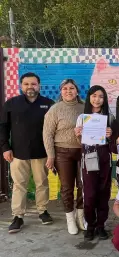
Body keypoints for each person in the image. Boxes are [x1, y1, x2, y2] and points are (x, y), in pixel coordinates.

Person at [0, 72, 54, 233]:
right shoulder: (11, 104)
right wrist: (5, 148)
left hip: (41, 152)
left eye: (33, 84)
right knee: (19, 186)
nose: (30, 87)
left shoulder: (48, 104)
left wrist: (52, 153)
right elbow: (3, 127)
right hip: (17, 153)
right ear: (21, 86)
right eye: (26, 84)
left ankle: (43, 211)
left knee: (42, 184)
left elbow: (53, 130)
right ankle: (18, 216)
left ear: (39, 86)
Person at [75, 85, 117, 241]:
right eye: (94, 96)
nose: (97, 99)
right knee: (90, 193)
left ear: (104, 99)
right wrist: (78, 134)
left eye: (101, 96)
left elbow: (113, 145)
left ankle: (101, 226)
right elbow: (80, 142)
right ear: (89, 97)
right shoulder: (82, 117)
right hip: (89, 157)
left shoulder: (109, 117)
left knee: (103, 192)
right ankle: (90, 226)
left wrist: (110, 135)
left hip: (105, 157)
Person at [43, 79, 85, 235]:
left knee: (83, 185)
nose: (69, 91)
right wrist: (50, 156)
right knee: (67, 187)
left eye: (72, 88)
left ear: (76, 90)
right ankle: (70, 218)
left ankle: (81, 216)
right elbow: (47, 134)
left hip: (82, 152)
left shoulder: (84, 107)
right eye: (65, 88)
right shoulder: (55, 110)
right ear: (61, 92)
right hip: (62, 153)